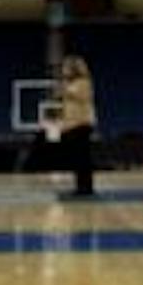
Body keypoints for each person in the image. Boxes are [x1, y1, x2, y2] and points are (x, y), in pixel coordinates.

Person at [56, 54, 97, 199]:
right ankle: (80, 186)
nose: (63, 70)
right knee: (77, 159)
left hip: (81, 124)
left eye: (66, 67)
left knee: (83, 159)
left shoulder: (83, 82)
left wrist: (65, 89)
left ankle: (86, 188)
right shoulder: (70, 84)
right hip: (72, 125)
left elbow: (81, 97)